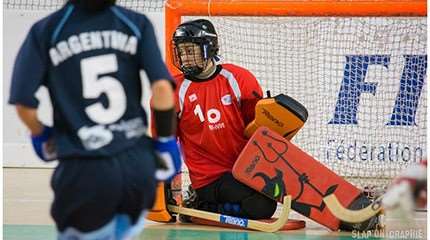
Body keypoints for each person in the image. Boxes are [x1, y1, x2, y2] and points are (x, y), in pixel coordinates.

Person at [8, 0, 181, 239]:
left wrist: (42, 136)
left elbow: (24, 103)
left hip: (84, 169)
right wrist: (165, 142)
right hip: (137, 168)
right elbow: (162, 89)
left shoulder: (47, 30)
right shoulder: (136, 23)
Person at [171, 19, 277, 220]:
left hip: (245, 167)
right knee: (262, 206)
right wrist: (168, 191)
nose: (185, 58)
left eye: (190, 51)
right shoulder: (173, 91)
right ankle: (201, 207)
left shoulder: (239, 78)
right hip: (209, 178)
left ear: (209, 48)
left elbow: (255, 129)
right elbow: (164, 143)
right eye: (181, 52)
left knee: (280, 190)